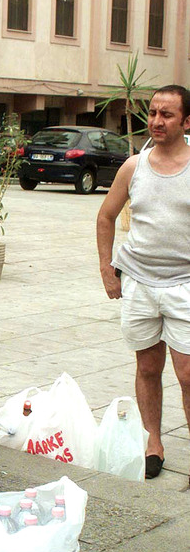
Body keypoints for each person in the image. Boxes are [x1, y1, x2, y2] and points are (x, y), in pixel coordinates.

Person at [97, 84, 190, 481]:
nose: (156, 121)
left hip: (185, 283)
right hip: (138, 282)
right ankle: (153, 442)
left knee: (187, 373)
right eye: (152, 112)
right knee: (147, 366)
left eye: (166, 115)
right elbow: (105, 217)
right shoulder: (134, 167)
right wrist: (107, 267)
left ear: (186, 122)